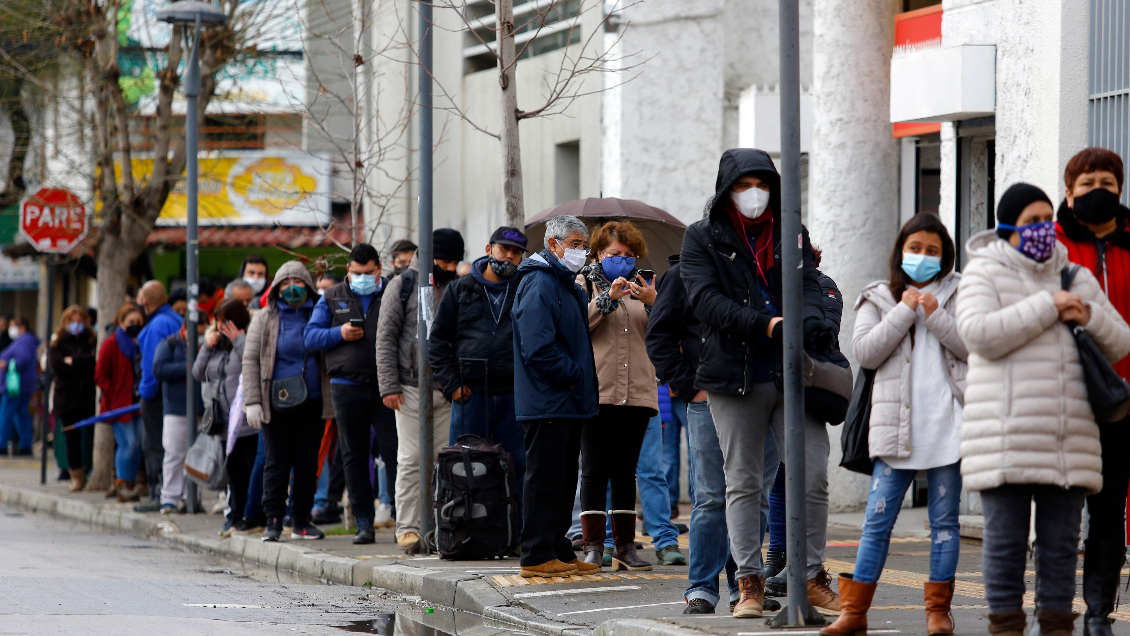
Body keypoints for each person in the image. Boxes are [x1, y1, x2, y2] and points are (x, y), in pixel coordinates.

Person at [957, 183, 1130, 636]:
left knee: (1059, 550)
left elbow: (1121, 341)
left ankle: (1056, 629)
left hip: (1066, 440)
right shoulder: (984, 273)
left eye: (1046, 221)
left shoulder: (1075, 277)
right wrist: (1047, 306)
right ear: (1008, 227)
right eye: (1031, 222)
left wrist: (1086, 315)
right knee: (1005, 547)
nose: (1042, 231)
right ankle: (1007, 629)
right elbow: (978, 334)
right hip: (1004, 438)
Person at [680, 148, 839, 617]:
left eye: (764, 184)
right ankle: (748, 584)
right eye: (744, 185)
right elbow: (706, 302)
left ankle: (810, 576)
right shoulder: (701, 237)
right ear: (726, 189)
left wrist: (810, 321)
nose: (755, 194)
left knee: (811, 476)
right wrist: (766, 325)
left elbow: (813, 285)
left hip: (794, 374)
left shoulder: (791, 231)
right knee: (743, 483)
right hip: (735, 376)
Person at [822, 214, 967, 636]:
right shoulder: (880, 295)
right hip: (895, 429)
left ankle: (938, 612)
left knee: (945, 523)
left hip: (949, 428)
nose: (923, 257)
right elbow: (865, 352)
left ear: (945, 256)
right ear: (901, 250)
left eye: (933, 250)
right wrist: (904, 310)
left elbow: (973, 346)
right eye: (915, 248)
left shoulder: (960, 291)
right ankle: (854, 613)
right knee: (877, 522)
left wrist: (936, 315)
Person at [1053, 148, 1130, 636]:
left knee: (1109, 510)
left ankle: (1099, 610)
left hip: (1122, 400)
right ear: (1068, 192)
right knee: (1062, 510)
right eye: (1086, 183)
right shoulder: (1053, 247)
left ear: (1120, 189)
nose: (1098, 190)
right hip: (1065, 398)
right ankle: (1056, 606)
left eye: (1107, 181)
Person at [648, 254, 751, 614]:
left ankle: (747, 586)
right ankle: (703, 589)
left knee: (755, 496)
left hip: (759, 398)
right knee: (710, 497)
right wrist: (689, 387)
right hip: (706, 402)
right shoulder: (683, 273)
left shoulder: (763, 266)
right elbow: (659, 336)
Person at [512, 214, 600, 578]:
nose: (581, 252)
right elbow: (538, 348)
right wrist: (573, 377)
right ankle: (535, 556)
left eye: (584, 245)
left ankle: (557, 549)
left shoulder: (564, 283)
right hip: (550, 397)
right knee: (545, 479)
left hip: (565, 399)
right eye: (575, 244)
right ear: (553, 244)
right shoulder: (539, 283)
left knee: (563, 481)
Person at [575, 220, 663, 571]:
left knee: (627, 471)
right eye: (615, 254)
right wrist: (607, 299)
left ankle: (626, 546)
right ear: (598, 253)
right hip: (599, 389)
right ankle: (595, 546)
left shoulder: (645, 286)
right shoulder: (582, 284)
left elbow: (664, 333)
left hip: (638, 391)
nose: (623, 261)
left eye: (629, 255)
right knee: (595, 469)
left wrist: (655, 302)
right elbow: (579, 325)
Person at [305, 243, 398, 545]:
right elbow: (311, 336)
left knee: (396, 454)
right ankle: (363, 523)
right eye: (356, 273)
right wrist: (339, 333)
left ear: (378, 270)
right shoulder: (332, 297)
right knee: (353, 457)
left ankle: (403, 519)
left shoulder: (393, 292)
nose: (362, 278)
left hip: (387, 388)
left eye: (368, 273)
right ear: (348, 270)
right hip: (346, 387)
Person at [429, 226, 528, 505]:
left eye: (516, 253)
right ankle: (467, 537)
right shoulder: (460, 289)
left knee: (517, 465)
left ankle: (515, 536)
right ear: (488, 250)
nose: (508, 257)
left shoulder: (525, 288)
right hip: (470, 396)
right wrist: (452, 385)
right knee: (466, 466)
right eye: (503, 249)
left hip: (513, 397)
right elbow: (437, 342)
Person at [377, 229, 463, 551]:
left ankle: (438, 527)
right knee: (412, 458)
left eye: (456, 261)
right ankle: (409, 528)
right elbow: (385, 339)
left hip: (446, 389)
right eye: (445, 260)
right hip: (409, 388)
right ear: (429, 256)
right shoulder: (402, 286)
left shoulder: (455, 287)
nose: (451, 267)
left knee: (442, 461)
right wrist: (388, 385)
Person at [242, 261, 330, 542]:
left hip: (312, 401)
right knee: (276, 463)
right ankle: (273, 521)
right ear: (276, 288)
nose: (292, 288)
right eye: (285, 283)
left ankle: (301, 520)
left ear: (309, 285)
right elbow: (250, 361)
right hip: (275, 403)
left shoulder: (320, 313)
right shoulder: (264, 318)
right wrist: (252, 401)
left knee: (306, 463)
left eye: (298, 282)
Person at [193, 299, 251, 535]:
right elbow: (198, 373)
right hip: (223, 422)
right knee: (232, 472)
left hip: (246, 423)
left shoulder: (245, 340)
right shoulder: (216, 346)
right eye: (218, 322)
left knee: (245, 470)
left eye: (225, 322)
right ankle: (234, 515)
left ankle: (246, 514)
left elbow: (253, 359)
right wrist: (207, 347)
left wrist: (238, 339)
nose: (221, 327)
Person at [135, 281, 183, 510]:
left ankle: (158, 494)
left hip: (156, 396)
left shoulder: (157, 325)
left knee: (155, 446)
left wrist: (145, 394)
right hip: (176, 393)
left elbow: (151, 366)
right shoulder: (175, 319)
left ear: (144, 301)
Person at [95, 303, 146, 502]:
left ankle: (130, 483)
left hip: (138, 403)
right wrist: (113, 394)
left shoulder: (143, 341)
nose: (135, 325)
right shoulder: (111, 343)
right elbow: (100, 375)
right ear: (121, 323)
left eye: (138, 322)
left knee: (138, 443)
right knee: (128, 443)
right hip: (118, 404)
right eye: (131, 322)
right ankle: (122, 484)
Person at [152, 322, 200, 514]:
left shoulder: (207, 343)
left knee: (199, 455)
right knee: (174, 453)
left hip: (201, 410)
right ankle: (169, 498)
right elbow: (159, 369)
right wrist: (189, 367)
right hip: (176, 408)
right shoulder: (170, 344)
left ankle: (192, 497)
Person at [48, 306, 98, 491]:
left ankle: (92, 470)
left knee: (93, 436)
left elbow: (94, 364)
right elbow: (58, 366)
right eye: (72, 320)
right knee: (71, 439)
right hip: (66, 399)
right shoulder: (58, 341)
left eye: (80, 320)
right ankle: (76, 476)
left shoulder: (92, 339)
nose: (76, 324)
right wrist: (84, 360)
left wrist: (73, 361)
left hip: (88, 397)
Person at [0, 317, 39, 456]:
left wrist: (7, 364)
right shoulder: (25, 340)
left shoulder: (24, 340)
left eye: (12, 325)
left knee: (5, 414)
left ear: (22, 327)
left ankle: (2, 445)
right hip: (22, 385)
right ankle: (25, 446)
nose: (11, 329)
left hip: (14, 385)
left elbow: (22, 359)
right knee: (22, 415)